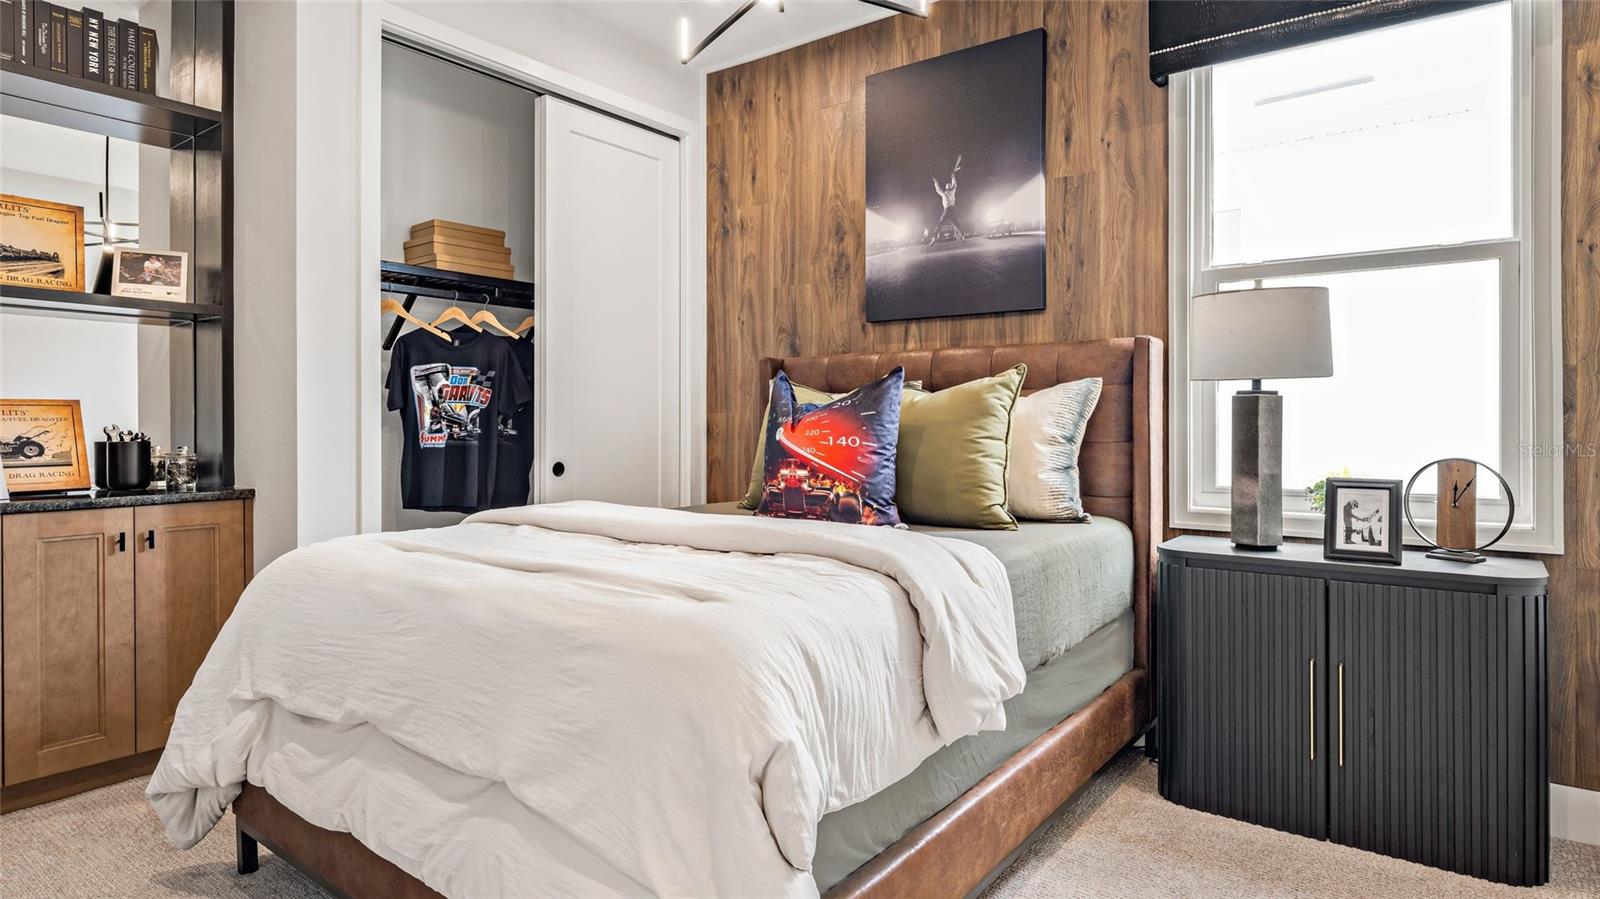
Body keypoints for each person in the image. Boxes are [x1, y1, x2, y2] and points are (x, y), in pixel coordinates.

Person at [930, 155, 966, 243]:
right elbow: (952, 184)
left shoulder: (948, 192)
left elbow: (940, 188)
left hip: (948, 210)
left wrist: (936, 182)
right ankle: (962, 236)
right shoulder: (950, 192)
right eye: (948, 185)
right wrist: (953, 176)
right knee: (954, 224)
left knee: (942, 224)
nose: (948, 185)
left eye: (948, 185)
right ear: (948, 188)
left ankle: (934, 237)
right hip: (950, 209)